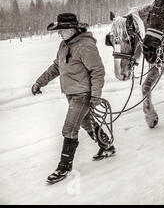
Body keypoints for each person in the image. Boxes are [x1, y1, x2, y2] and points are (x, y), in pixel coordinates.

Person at [31, 13, 115, 184]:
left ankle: (64, 166)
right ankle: (106, 146)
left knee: (69, 128)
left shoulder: (85, 45)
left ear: (71, 29)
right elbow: (57, 67)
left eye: (61, 30)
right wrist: (39, 82)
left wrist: (96, 95)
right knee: (85, 122)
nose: (58, 34)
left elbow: (97, 71)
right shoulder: (65, 44)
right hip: (71, 93)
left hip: (82, 94)